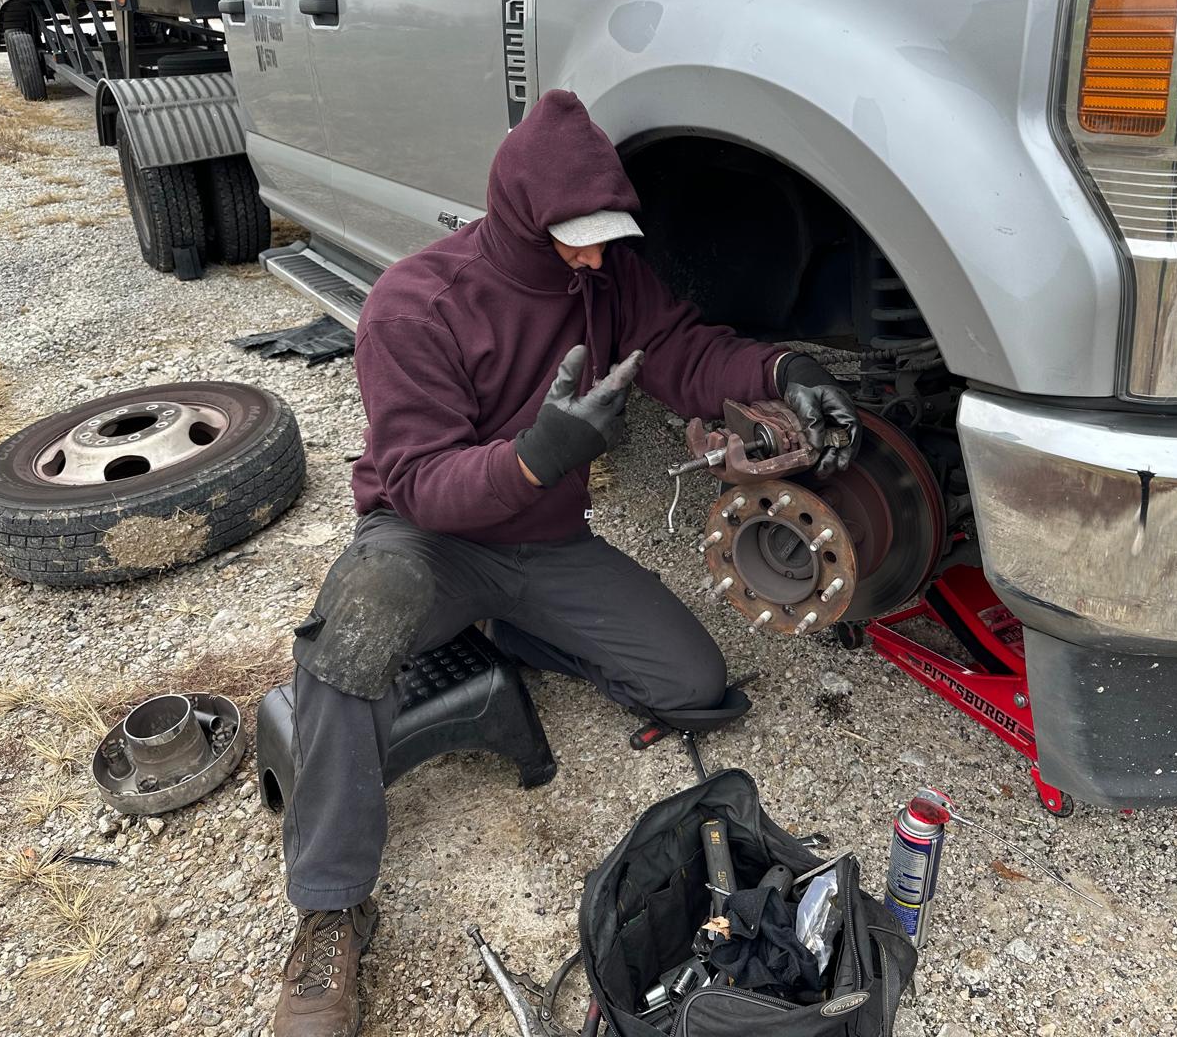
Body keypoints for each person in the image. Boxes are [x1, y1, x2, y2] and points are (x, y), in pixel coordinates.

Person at [272, 90, 858, 1037]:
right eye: (571, 237)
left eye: (604, 235)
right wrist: (535, 454)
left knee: (694, 684)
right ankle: (330, 910)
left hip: (543, 545)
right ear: (515, 213)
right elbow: (419, 481)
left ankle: (515, 628)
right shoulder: (413, 306)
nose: (591, 255)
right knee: (356, 628)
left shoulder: (607, 280)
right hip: (429, 544)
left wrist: (783, 372)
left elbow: (683, 350)